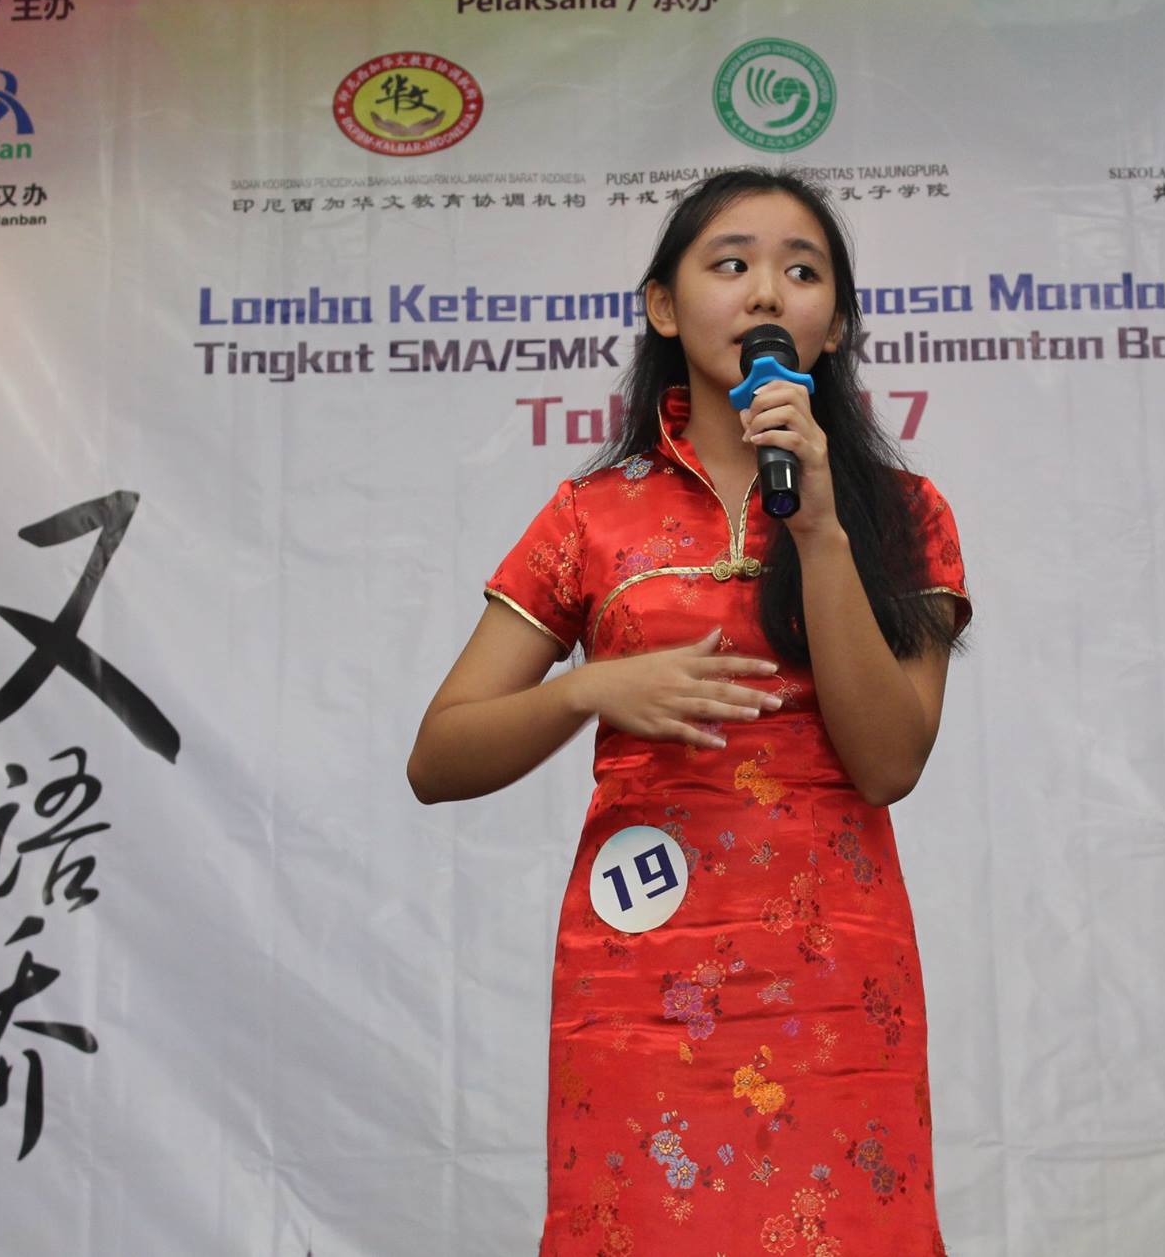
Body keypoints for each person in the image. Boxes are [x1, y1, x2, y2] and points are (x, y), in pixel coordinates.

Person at [409, 167, 968, 1256]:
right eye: (732, 264)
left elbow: (889, 764)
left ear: (834, 326)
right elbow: (439, 756)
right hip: (641, 981)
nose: (765, 293)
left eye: (801, 272)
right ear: (663, 306)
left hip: (832, 986)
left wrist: (820, 530)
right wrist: (589, 689)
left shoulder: (904, 515)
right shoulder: (591, 515)